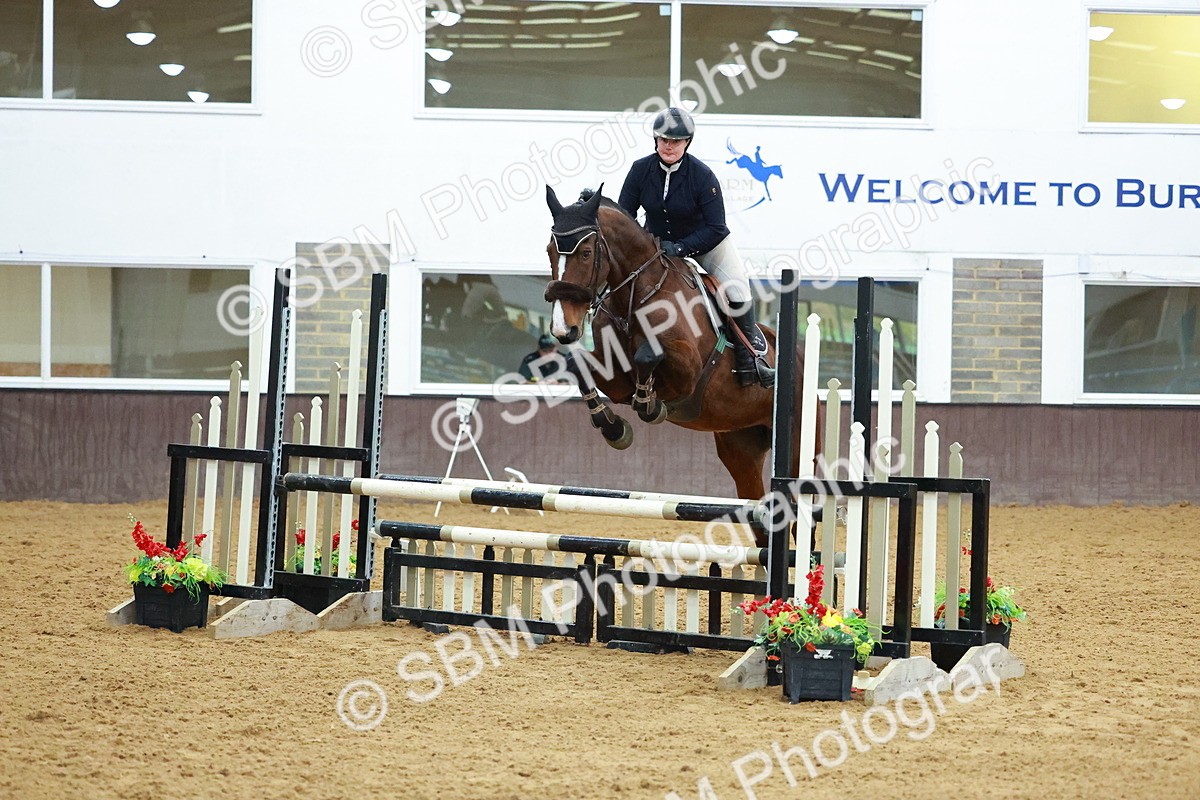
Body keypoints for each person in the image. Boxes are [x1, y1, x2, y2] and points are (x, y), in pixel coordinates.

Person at [617, 106, 775, 389]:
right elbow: (625, 216)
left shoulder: (702, 176)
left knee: (737, 287)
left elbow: (716, 228)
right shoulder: (640, 170)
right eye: (663, 139)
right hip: (658, 247)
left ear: (687, 143)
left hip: (706, 243)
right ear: (655, 140)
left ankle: (750, 358)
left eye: (675, 141)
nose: (668, 145)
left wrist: (680, 248)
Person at [518, 334, 583, 384]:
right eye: (545, 351)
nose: (548, 354)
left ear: (556, 348)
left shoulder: (565, 360)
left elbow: (576, 382)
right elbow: (521, 382)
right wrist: (536, 384)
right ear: (538, 349)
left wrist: (559, 384)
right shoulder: (529, 360)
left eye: (551, 350)